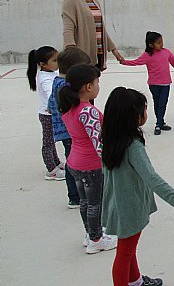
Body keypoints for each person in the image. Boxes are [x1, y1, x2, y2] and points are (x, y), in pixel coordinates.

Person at [101, 87, 174, 286]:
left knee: (128, 249)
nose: (146, 114)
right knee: (124, 253)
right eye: (144, 110)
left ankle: (136, 281)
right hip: (129, 206)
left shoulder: (111, 139)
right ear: (133, 117)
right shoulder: (132, 145)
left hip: (119, 203)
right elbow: (151, 177)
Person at [58, 64, 117, 254]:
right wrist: (111, 161)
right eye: (97, 82)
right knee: (95, 203)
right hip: (90, 166)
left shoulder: (68, 108)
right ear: (88, 87)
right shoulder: (87, 111)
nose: (98, 85)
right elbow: (98, 142)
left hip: (75, 162)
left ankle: (91, 233)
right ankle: (96, 239)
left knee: (84, 202)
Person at [120, 31, 174, 135]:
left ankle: (159, 123)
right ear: (151, 44)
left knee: (163, 103)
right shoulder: (147, 55)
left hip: (165, 84)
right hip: (154, 84)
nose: (161, 44)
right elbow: (136, 62)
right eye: (159, 42)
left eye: (162, 42)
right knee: (157, 103)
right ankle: (160, 122)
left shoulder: (166, 52)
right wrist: (124, 62)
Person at [49, 46, 92, 208]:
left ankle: (76, 195)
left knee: (72, 161)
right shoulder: (65, 87)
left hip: (65, 130)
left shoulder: (57, 82)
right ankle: (75, 196)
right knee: (73, 164)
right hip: (69, 132)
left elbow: (49, 105)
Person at [62, 0, 123, 70]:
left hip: (98, 53)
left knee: (94, 85)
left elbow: (100, 29)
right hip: (82, 55)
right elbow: (68, 28)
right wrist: (71, 50)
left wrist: (113, 49)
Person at [27, 46, 64, 180]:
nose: (57, 63)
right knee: (48, 142)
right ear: (43, 64)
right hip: (47, 115)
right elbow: (52, 96)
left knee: (52, 140)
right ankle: (51, 170)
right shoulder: (45, 78)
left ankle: (57, 163)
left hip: (52, 113)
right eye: (54, 60)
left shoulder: (52, 72)